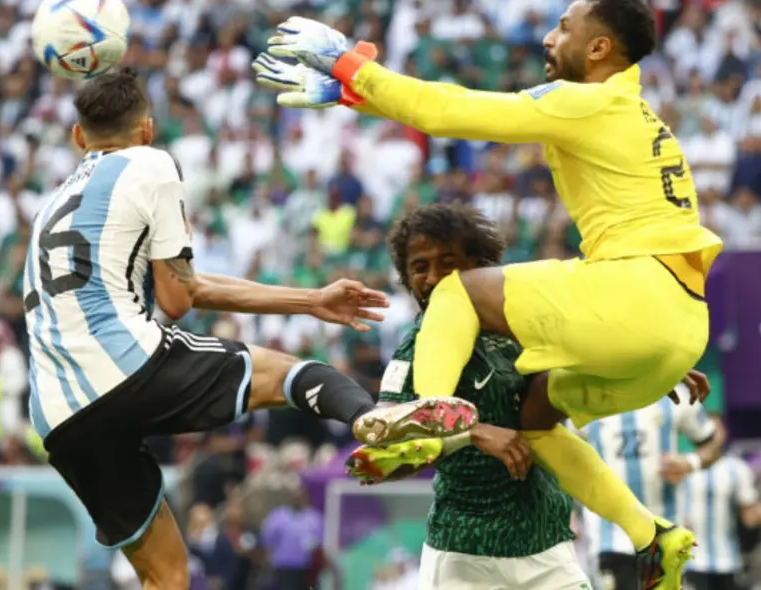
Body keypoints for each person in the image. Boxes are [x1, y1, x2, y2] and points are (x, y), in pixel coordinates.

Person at [255, 0, 723, 586]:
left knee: (458, 295)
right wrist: (355, 96)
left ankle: (428, 410)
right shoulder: (633, 112)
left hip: (635, 295)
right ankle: (652, 535)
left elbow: (450, 111)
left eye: (564, 28)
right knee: (535, 420)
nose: (550, 38)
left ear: (599, 47)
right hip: (673, 326)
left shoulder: (586, 102)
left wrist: (355, 67)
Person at [22, 68, 473, 589]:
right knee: (291, 374)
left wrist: (310, 301)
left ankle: (374, 419)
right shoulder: (150, 163)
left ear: (79, 137)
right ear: (147, 129)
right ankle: (373, 418)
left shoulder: (50, 205)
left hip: (57, 413)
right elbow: (177, 296)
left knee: (165, 576)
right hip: (122, 361)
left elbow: (183, 285)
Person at [347, 203, 592, 590]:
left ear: (478, 266)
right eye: (419, 267)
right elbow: (386, 437)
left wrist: (648, 367)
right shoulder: (414, 350)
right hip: (464, 553)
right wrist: (472, 432)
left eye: (448, 263)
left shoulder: (520, 325)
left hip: (545, 541)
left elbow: (589, 350)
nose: (433, 278)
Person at [577, 398, 726, 589]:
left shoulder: (675, 395)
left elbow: (713, 445)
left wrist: (690, 462)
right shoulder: (585, 396)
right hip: (609, 534)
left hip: (664, 529)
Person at [680, 454, 761, 590]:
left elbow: (749, 518)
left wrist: (760, 513)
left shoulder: (736, 468)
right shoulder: (682, 464)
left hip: (727, 561)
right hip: (691, 562)